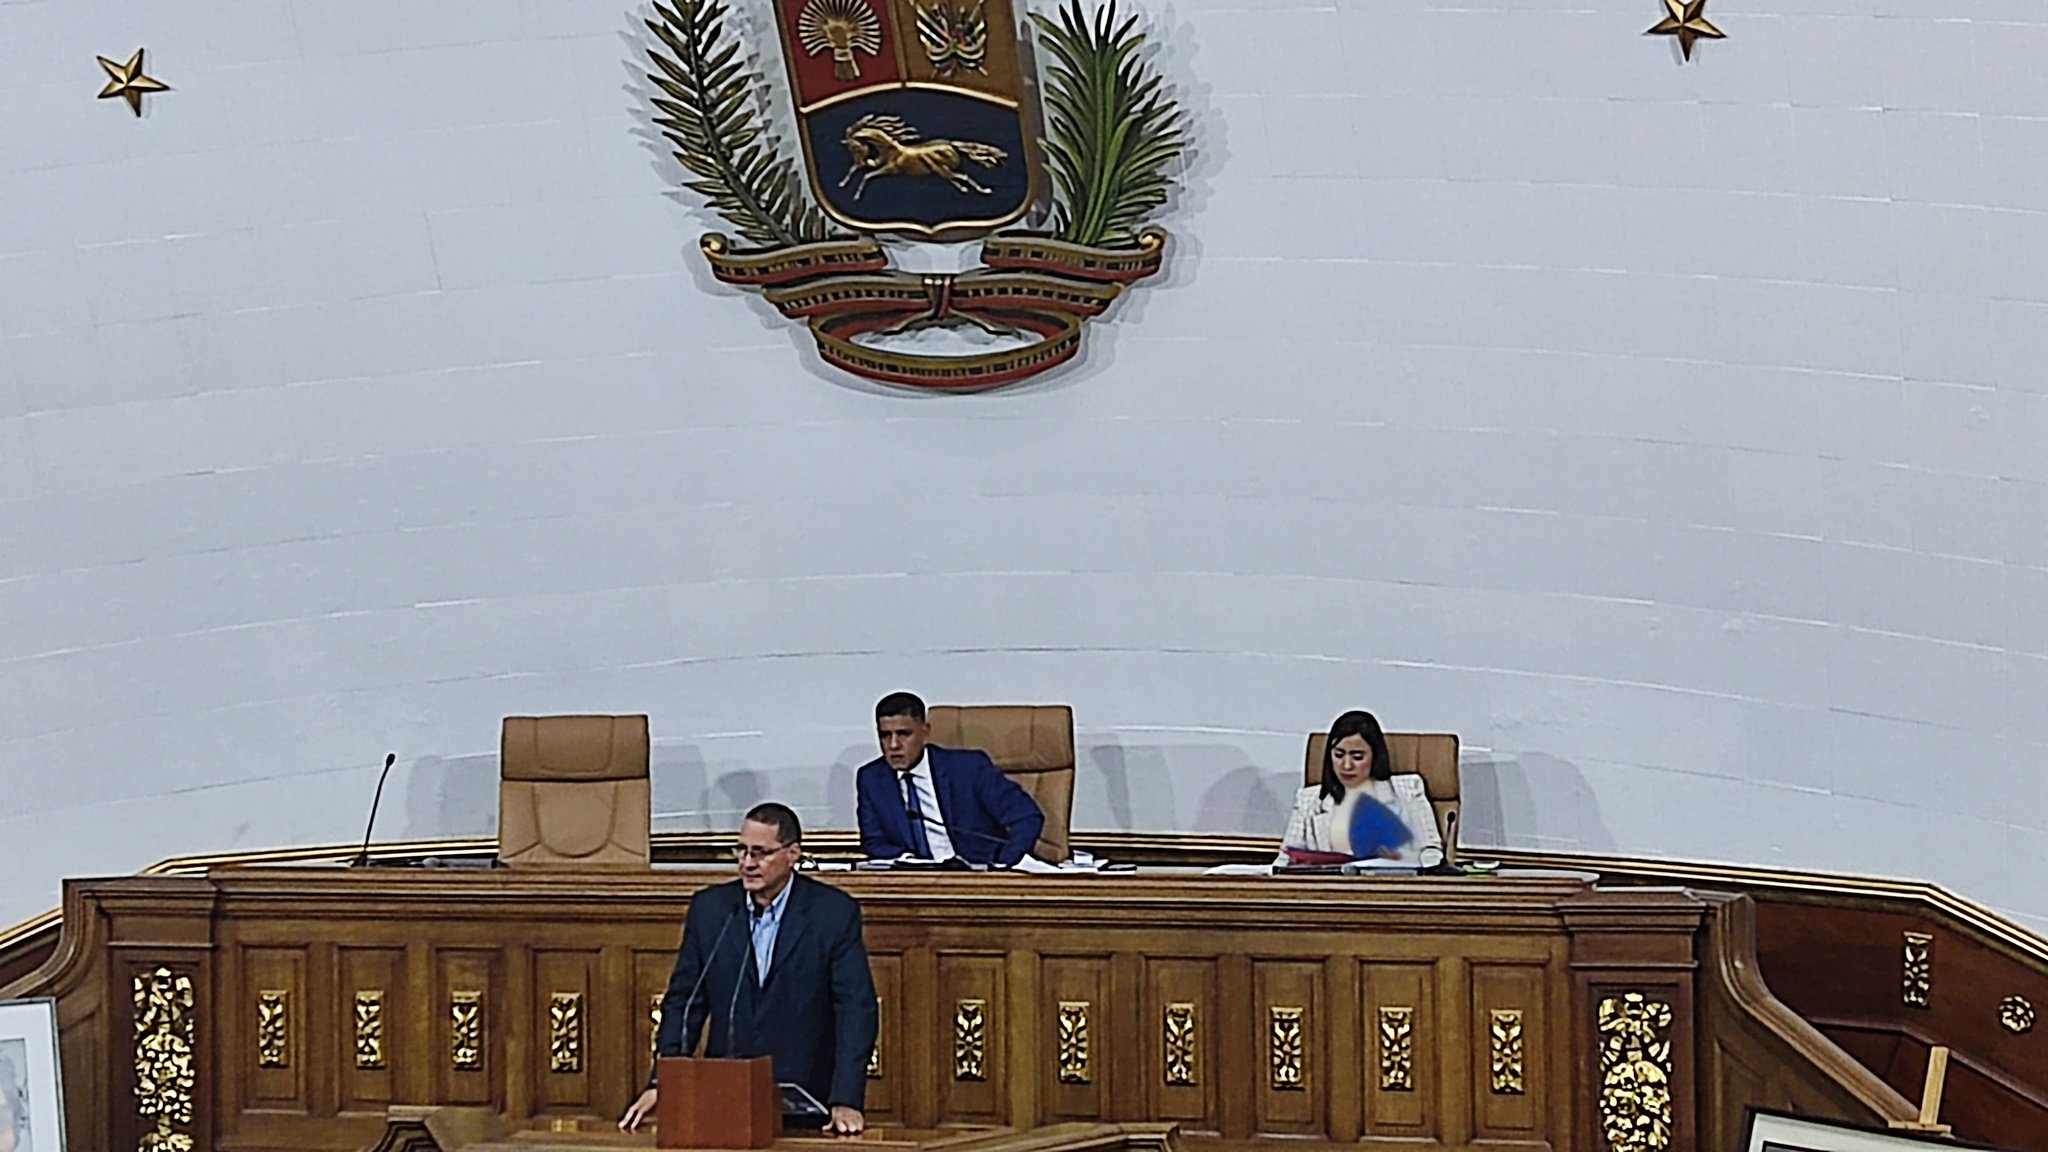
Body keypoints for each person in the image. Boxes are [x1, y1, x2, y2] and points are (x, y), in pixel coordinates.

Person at [621, 803, 878, 1135]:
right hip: (726, 1096)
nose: (747, 863)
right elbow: (684, 1004)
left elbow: (856, 1010)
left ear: (793, 854)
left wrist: (846, 1099)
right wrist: (664, 1082)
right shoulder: (712, 911)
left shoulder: (832, 913)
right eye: (741, 851)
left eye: (761, 853)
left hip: (806, 1102)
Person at [854, 692, 1045, 867]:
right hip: (914, 879)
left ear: (925, 733)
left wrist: (1003, 865)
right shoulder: (872, 779)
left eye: (904, 734)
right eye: (885, 736)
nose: (894, 745)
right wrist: (908, 861)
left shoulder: (969, 768)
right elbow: (874, 841)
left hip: (976, 874)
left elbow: (1027, 817)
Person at [1276, 710, 1443, 866]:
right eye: (1338, 755)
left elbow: (1430, 852)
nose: (1346, 765)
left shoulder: (1408, 791)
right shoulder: (1309, 800)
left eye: (1357, 757)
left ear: (1375, 756)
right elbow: (1285, 860)